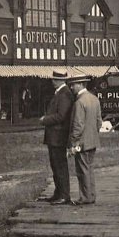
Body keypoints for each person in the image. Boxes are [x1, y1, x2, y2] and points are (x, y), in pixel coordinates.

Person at [38, 70, 74, 205]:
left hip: (59, 136)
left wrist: (45, 120)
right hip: (56, 136)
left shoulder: (64, 94)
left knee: (60, 166)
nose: (52, 81)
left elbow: (61, 116)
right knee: (56, 165)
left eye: (54, 79)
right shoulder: (61, 93)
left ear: (59, 80)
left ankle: (64, 195)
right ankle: (59, 192)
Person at [67, 74, 101, 205]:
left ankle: (85, 197)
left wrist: (73, 143)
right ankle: (91, 195)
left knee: (82, 170)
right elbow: (99, 122)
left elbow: (78, 126)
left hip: (81, 142)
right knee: (89, 168)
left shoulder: (79, 102)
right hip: (93, 141)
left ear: (81, 84)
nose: (71, 87)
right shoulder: (94, 99)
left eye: (73, 85)